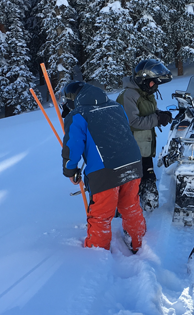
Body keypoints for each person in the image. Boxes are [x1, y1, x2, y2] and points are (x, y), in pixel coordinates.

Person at [61, 81, 146, 253]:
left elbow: (73, 145)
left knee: (101, 215)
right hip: (133, 163)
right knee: (130, 205)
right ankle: (137, 240)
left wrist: (70, 169)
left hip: (105, 171)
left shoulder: (78, 115)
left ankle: (97, 255)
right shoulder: (116, 106)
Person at [117, 59, 173, 210]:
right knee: (133, 180)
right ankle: (127, 209)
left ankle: (148, 205)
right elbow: (132, 121)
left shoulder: (146, 93)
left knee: (147, 174)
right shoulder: (129, 95)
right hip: (131, 147)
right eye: (152, 83)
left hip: (144, 144)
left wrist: (160, 114)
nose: (154, 87)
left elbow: (147, 111)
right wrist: (156, 119)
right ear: (143, 80)